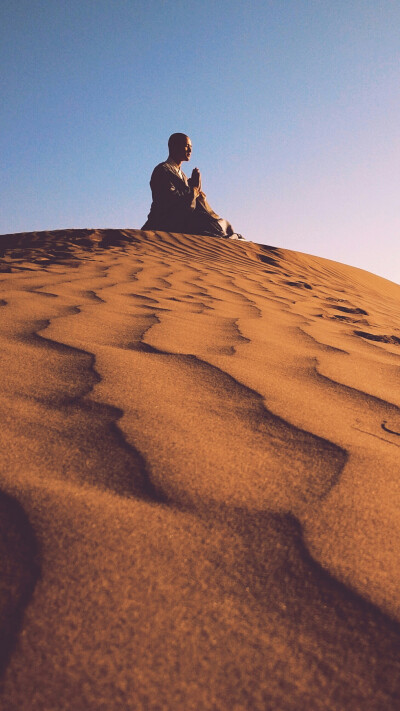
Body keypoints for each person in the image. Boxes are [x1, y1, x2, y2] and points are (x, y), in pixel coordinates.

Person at [142, 133, 245, 239]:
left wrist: (196, 188)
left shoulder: (183, 176)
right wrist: (193, 190)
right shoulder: (162, 170)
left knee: (221, 224)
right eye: (186, 146)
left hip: (185, 220)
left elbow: (191, 200)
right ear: (174, 146)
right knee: (210, 227)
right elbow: (169, 200)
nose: (190, 151)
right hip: (166, 223)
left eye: (191, 147)